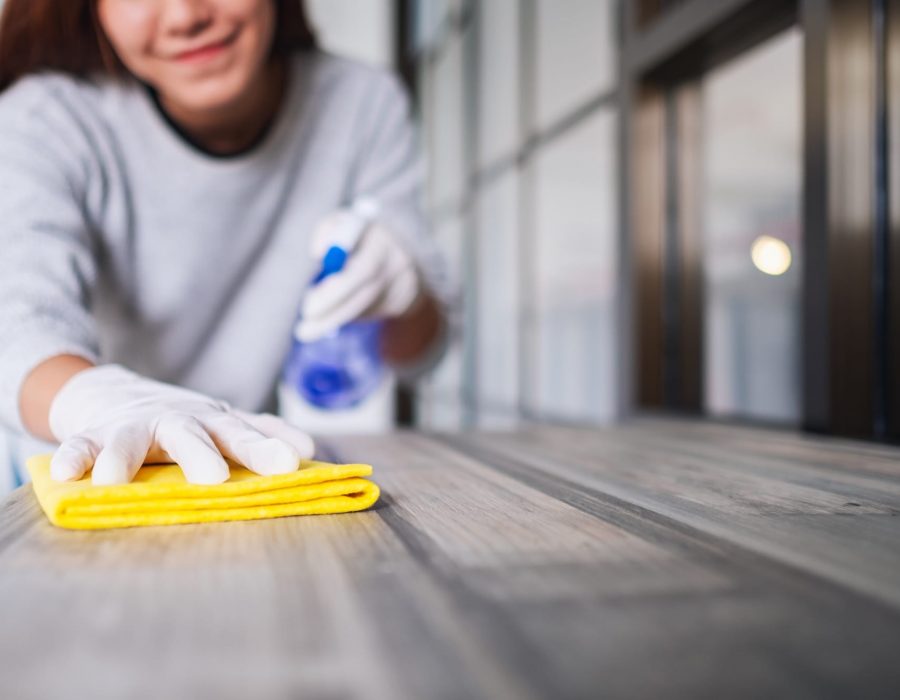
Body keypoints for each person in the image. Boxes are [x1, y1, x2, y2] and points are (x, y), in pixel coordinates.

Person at [0, 0, 451, 490]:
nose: (184, 17)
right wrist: (99, 400)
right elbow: (17, 322)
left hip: (246, 476)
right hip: (79, 481)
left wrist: (403, 294)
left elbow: (422, 351)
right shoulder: (43, 118)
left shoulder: (360, 103)